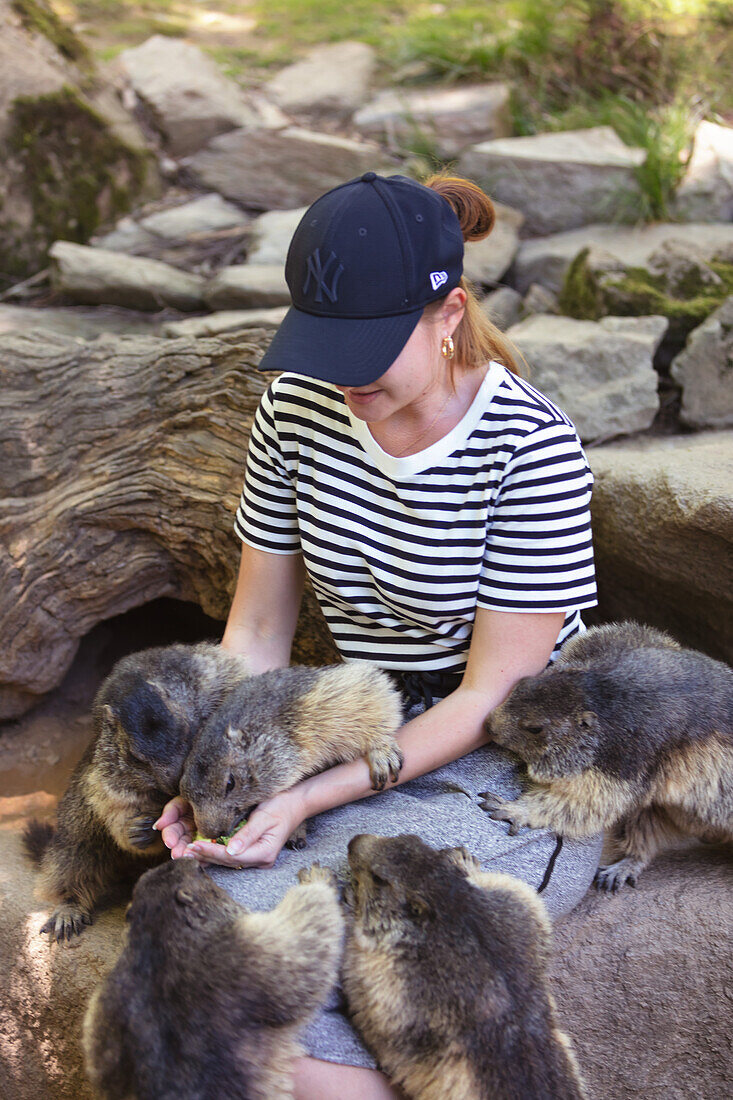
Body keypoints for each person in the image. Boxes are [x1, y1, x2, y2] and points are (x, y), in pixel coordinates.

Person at [155, 171, 601, 1099]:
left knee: (353, 959)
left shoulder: (530, 449)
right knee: (197, 929)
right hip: (356, 714)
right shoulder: (295, 408)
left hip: (510, 762)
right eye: (324, 347)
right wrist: (211, 773)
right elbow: (259, 628)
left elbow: (490, 698)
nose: (342, 377)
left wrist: (310, 800)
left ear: (449, 316)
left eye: (365, 348)